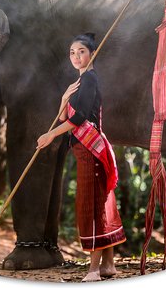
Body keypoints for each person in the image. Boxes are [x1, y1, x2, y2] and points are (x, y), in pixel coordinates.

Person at [36, 33, 126, 282]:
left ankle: (94, 270)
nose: (76, 56)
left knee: (92, 205)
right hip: (83, 150)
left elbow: (79, 119)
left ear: (92, 53)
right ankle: (108, 265)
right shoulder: (80, 82)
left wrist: (50, 135)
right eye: (72, 52)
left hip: (91, 149)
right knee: (98, 202)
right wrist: (64, 99)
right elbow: (66, 117)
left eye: (81, 51)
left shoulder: (90, 79)